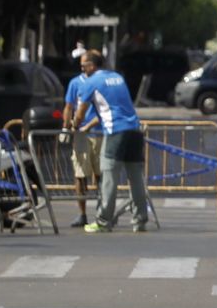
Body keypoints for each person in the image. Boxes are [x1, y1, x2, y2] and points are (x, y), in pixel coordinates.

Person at [73, 50, 151, 233]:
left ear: (92, 66)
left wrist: (75, 124)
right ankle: (140, 221)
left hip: (115, 131)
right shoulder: (117, 77)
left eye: (84, 66)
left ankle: (103, 221)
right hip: (134, 129)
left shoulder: (91, 82)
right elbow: (111, 106)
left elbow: (81, 113)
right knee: (136, 179)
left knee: (109, 178)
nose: (82, 70)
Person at [62, 57, 103, 227]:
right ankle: (82, 213)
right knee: (80, 175)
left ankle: (103, 213)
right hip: (80, 134)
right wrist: (65, 128)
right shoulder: (75, 83)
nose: (82, 67)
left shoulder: (101, 82)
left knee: (101, 175)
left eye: (84, 64)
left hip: (99, 133)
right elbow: (69, 107)